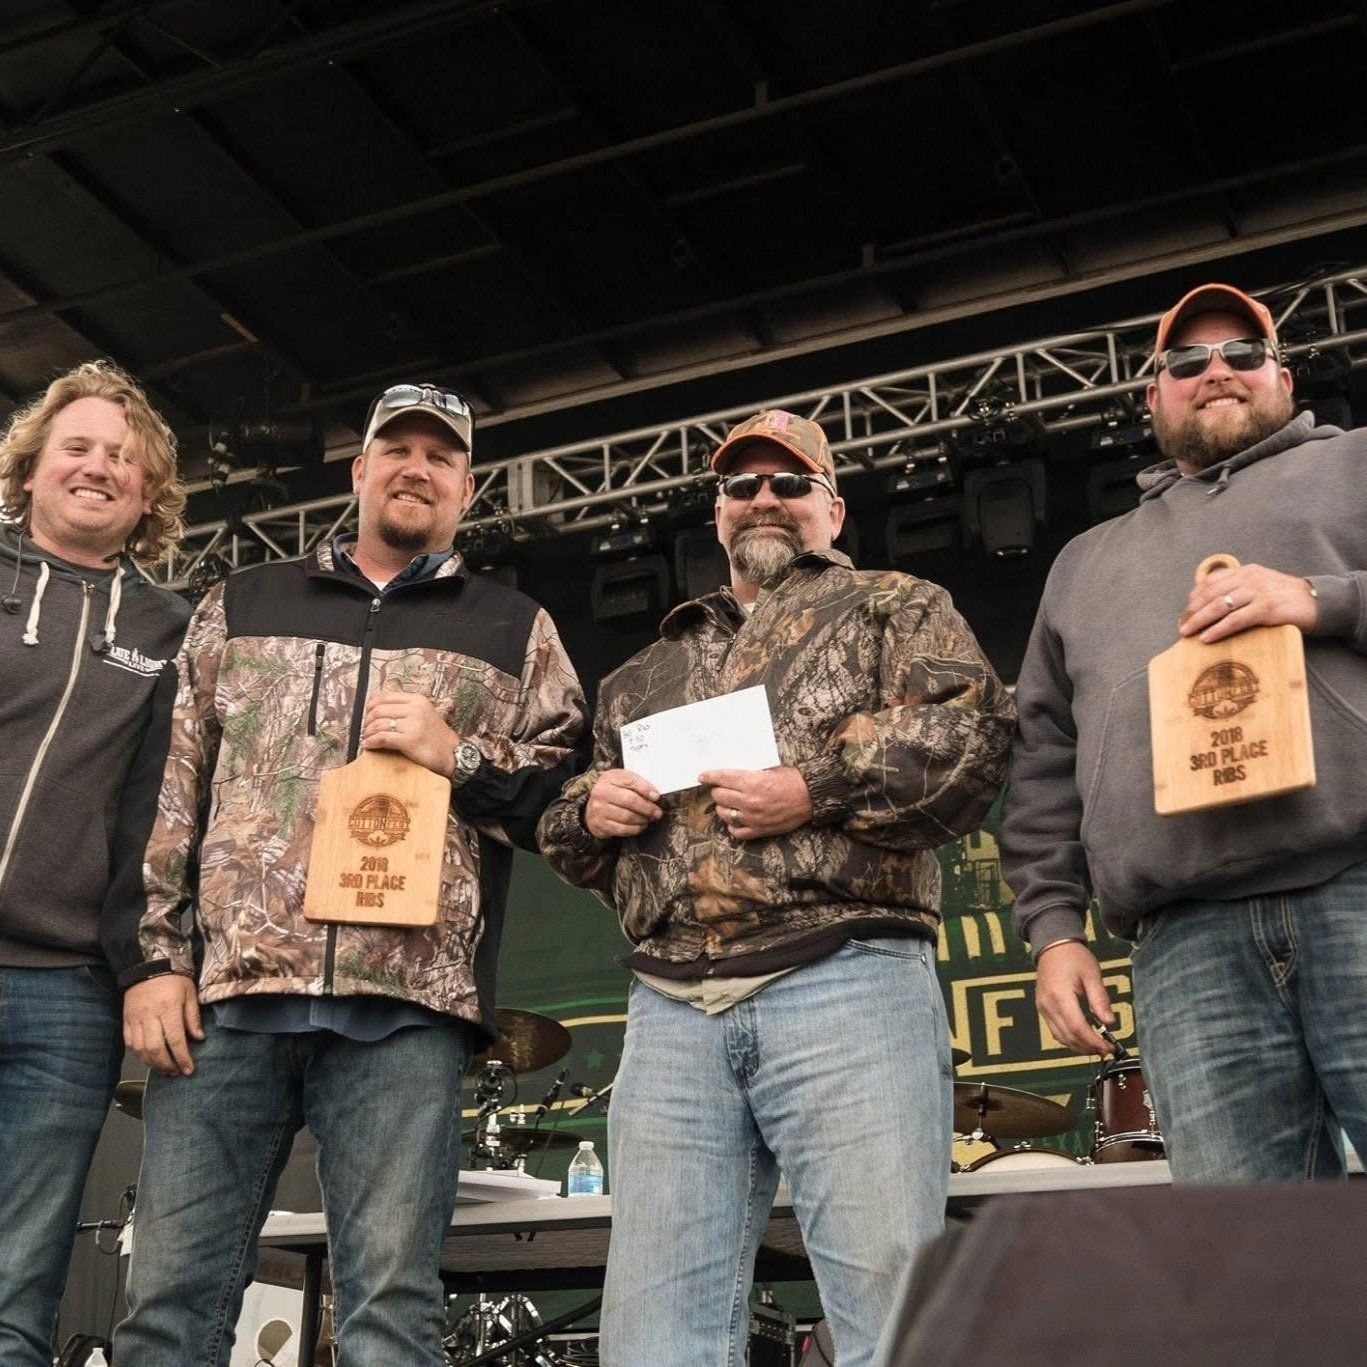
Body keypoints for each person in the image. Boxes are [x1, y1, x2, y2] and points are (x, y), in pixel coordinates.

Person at [110, 382, 586, 1366]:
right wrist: (155, 957)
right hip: (227, 1000)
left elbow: (565, 808)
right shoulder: (240, 602)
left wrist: (456, 751)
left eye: (440, 457)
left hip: (406, 1006)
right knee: (166, 1302)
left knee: (390, 1311)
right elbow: (169, 784)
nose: (417, 467)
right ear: (359, 469)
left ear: (467, 487)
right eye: (396, 449)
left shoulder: (516, 627)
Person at [539, 409, 1014, 1366]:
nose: (764, 498)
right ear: (716, 516)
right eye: (741, 486)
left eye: (789, 483)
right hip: (672, 1005)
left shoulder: (896, 603)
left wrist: (814, 788)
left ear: (831, 509)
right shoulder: (643, 673)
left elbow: (972, 744)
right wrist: (591, 809)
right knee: (651, 1340)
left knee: (891, 1317)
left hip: (847, 975)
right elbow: (571, 834)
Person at [1002, 282, 1367, 1182]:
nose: (1216, 371)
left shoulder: (1357, 465)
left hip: (1357, 889)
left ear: (1282, 375)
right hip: (1185, 942)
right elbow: (1043, 764)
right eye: (1185, 361)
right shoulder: (1084, 562)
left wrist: (1321, 600)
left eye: (1243, 353)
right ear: (1150, 395)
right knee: (1250, 1273)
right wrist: (1054, 930)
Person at [0, 360, 188, 1366]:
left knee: (16, 1284)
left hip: (67, 995)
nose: (98, 465)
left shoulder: (172, 628)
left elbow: (160, 808)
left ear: (147, 495)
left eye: (122, 457)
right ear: (28, 467)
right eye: (77, 446)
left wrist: (151, 962)